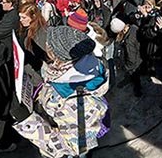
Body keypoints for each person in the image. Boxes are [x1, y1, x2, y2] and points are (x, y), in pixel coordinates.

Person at [14, 26, 108, 158]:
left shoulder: (78, 100)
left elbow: (71, 148)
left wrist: (27, 121)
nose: (45, 45)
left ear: (56, 53)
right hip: (57, 122)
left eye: (49, 44)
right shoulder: (72, 67)